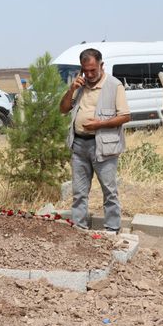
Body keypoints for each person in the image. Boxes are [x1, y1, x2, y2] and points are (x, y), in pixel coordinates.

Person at [59, 48, 131, 232]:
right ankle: (79, 228)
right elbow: (63, 109)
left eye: (93, 70)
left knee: (109, 191)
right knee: (79, 192)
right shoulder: (79, 86)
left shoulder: (114, 85)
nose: (89, 74)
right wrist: (71, 89)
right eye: (86, 70)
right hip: (79, 145)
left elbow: (125, 116)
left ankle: (112, 229)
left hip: (103, 147)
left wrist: (100, 124)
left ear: (101, 65)